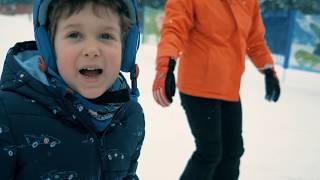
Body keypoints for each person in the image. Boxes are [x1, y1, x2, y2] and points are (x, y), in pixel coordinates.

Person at [0, 0, 144, 179]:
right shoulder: (8, 115)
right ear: (49, 49)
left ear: (126, 51)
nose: (91, 50)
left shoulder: (129, 117)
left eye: (106, 36)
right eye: (75, 34)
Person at [152, 0, 281, 179]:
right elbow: (175, 28)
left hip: (229, 87)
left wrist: (268, 69)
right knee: (209, 152)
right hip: (197, 86)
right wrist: (165, 64)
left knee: (232, 152)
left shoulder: (248, 2)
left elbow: (254, 39)